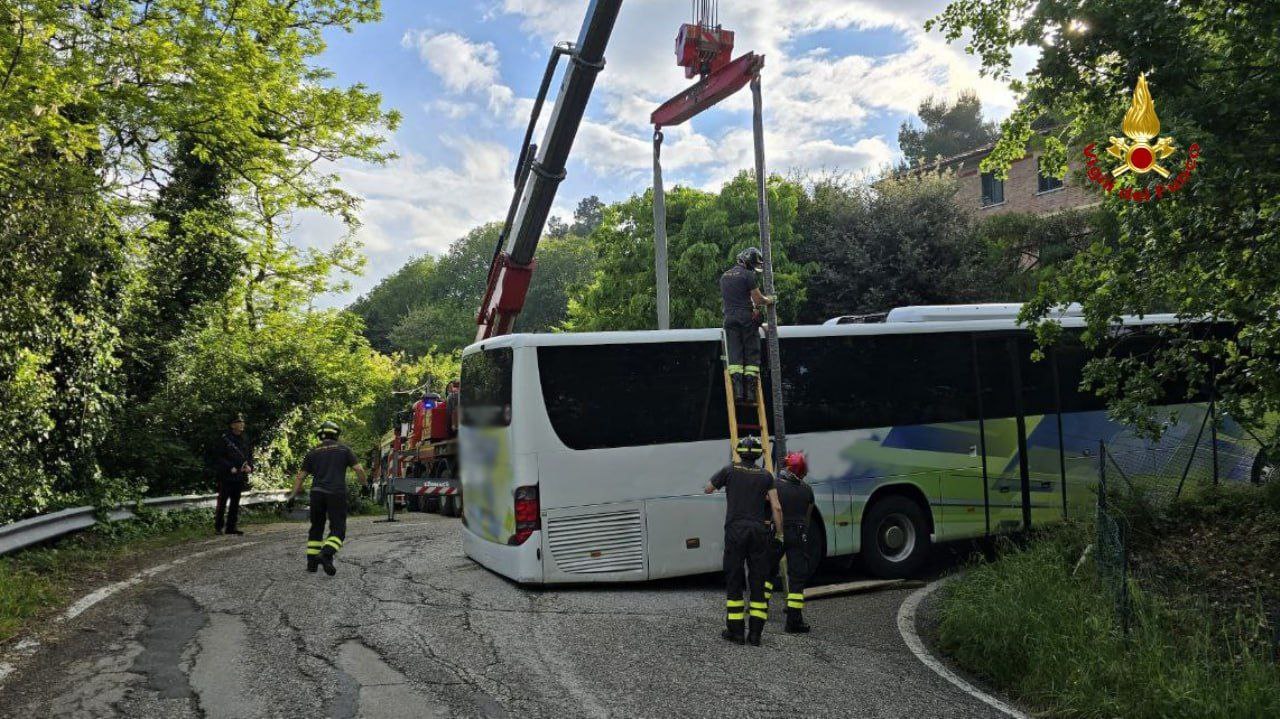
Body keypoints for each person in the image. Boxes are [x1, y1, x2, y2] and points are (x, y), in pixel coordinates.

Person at [704, 436, 784, 646]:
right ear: (758, 454)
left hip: (735, 531)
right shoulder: (766, 475)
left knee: (734, 579)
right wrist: (779, 533)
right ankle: (755, 634)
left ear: (738, 452)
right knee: (758, 581)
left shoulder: (729, 471)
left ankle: (736, 632)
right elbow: (776, 507)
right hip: (758, 532)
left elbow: (708, 488)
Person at [288, 421, 368, 576]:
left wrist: (292, 496)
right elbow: (359, 469)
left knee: (316, 527)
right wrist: (364, 485)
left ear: (320, 435)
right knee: (338, 529)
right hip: (336, 493)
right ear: (336, 434)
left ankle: (312, 563)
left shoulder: (312, 453)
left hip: (317, 493)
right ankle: (326, 554)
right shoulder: (344, 450)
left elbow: (300, 477)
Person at [767, 451, 816, 633]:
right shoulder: (807, 490)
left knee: (768, 571)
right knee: (796, 578)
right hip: (799, 534)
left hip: (779, 533)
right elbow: (807, 518)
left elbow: (768, 507)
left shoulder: (775, 486)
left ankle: (760, 607)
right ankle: (793, 621)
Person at [720, 247, 773, 403]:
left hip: (729, 318)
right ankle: (750, 394)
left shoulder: (724, 276)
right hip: (745, 318)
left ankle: (737, 392)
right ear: (749, 262)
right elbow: (757, 300)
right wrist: (770, 300)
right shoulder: (748, 275)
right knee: (751, 352)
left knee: (734, 354)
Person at [213, 414, 254, 535]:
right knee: (222, 502)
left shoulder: (245, 439)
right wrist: (229, 467)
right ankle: (218, 527)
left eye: (242, 422)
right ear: (232, 425)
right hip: (227, 476)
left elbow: (249, 455)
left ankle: (231, 527)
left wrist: (250, 466)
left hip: (240, 475)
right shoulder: (225, 439)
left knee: (235, 502)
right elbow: (218, 457)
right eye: (238, 422)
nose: (242, 424)